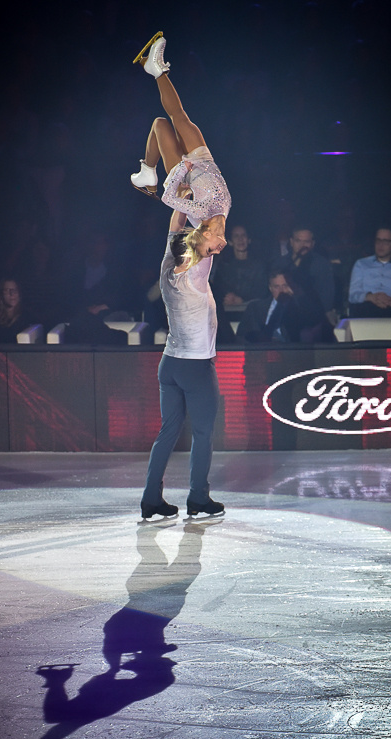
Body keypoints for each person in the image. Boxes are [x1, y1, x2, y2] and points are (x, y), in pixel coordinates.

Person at [139, 193, 224, 519]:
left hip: (169, 364)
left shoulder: (166, 266)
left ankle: (151, 499)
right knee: (202, 433)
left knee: (168, 432)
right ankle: (198, 498)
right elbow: (208, 238)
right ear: (192, 256)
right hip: (196, 366)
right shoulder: (196, 275)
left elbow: (176, 229)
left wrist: (181, 197)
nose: (207, 251)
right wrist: (199, 205)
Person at [130, 33, 231, 267]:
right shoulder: (223, 215)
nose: (216, 251)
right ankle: (156, 70)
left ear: (206, 235)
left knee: (159, 124)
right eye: (212, 253)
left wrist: (181, 172)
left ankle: (148, 173)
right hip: (204, 159)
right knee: (179, 118)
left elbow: (167, 198)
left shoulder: (203, 211)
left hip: (183, 171)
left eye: (209, 250)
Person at [237, 270, 328, 343]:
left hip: (290, 356)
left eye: (285, 286)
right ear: (270, 288)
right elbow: (241, 336)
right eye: (277, 287)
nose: (281, 291)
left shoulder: (301, 310)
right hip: (260, 356)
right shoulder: (254, 308)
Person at [274, 227, 336, 333]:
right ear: (291, 242)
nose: (302, 245)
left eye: (306, 241)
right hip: (284, 318)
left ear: (313, 243)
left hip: (315, 320)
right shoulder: (280, 264)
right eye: (298, 241)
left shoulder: (321, 264)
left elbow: (327, 300)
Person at [348, 228, 391, 318]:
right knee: (365, 309)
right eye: (378, 240)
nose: (380, 245)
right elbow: (352, 296)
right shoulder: (361, 264)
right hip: (366, 309)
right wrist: (371, 297)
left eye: (385, 241)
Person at [211, 225, 268, 306]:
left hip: (252, 311)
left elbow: (263, 291)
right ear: (230, 242)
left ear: (249, 240)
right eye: (236, 236)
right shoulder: (223, 267)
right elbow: (217, 290)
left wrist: (243, 299)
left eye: (243, 235)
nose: (240, 239)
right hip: (228, 312)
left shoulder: (259, 266)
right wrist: (227, 298)